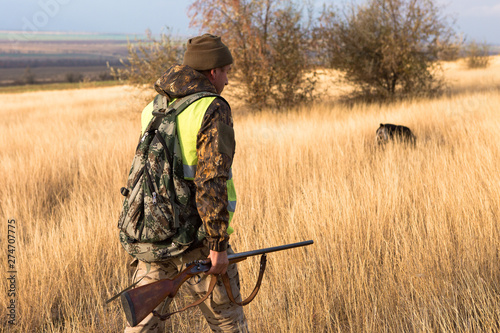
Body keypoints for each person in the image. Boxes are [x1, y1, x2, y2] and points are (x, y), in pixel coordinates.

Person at [123, 34, 248, 333]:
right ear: (213, 71)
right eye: (227, 72)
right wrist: (217, 245)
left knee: (141, 325)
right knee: (229, 323)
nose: (228, 80)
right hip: (198, 241)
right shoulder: (212, 108)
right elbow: (212, 180)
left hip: (154, 234)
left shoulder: (153, 107)